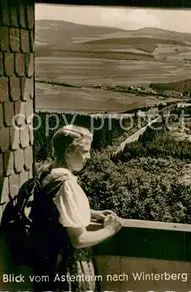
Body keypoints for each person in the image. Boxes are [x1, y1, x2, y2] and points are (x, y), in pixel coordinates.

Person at [30, 125, 122, 292]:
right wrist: (110, 229)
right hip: (67, 268)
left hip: (48, 264)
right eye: (85, 151)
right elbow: (79, 240)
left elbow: (57, 209)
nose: (89, 156)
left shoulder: (47, 173)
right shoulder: (66, 184)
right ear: (68, 152)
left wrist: (90, 213)